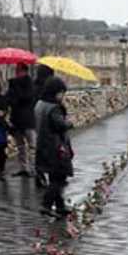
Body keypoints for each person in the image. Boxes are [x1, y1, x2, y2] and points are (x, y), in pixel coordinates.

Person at [35, 77, 74, 217]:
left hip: (44, 145)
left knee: (54, 177)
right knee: (59, 178)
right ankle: (46, 205)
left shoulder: (40, 104)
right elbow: (60, 125)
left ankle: (60, 206)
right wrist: (69, 123)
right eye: (61, 92)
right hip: (55, 147)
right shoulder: (54, 107)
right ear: (55, 92)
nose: (62, 95)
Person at [6, 63, 36, 178]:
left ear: (25, 71)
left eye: (19, 71)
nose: (17, 73)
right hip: (17, 120)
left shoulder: (30, 84)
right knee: (20, 147)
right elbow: (9, 100)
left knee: (32, 146)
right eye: (16, 71)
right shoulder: (13, 84)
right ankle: (23, 168)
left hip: (28, 120)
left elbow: (26, 98)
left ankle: (33, 169)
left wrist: (15, 88)